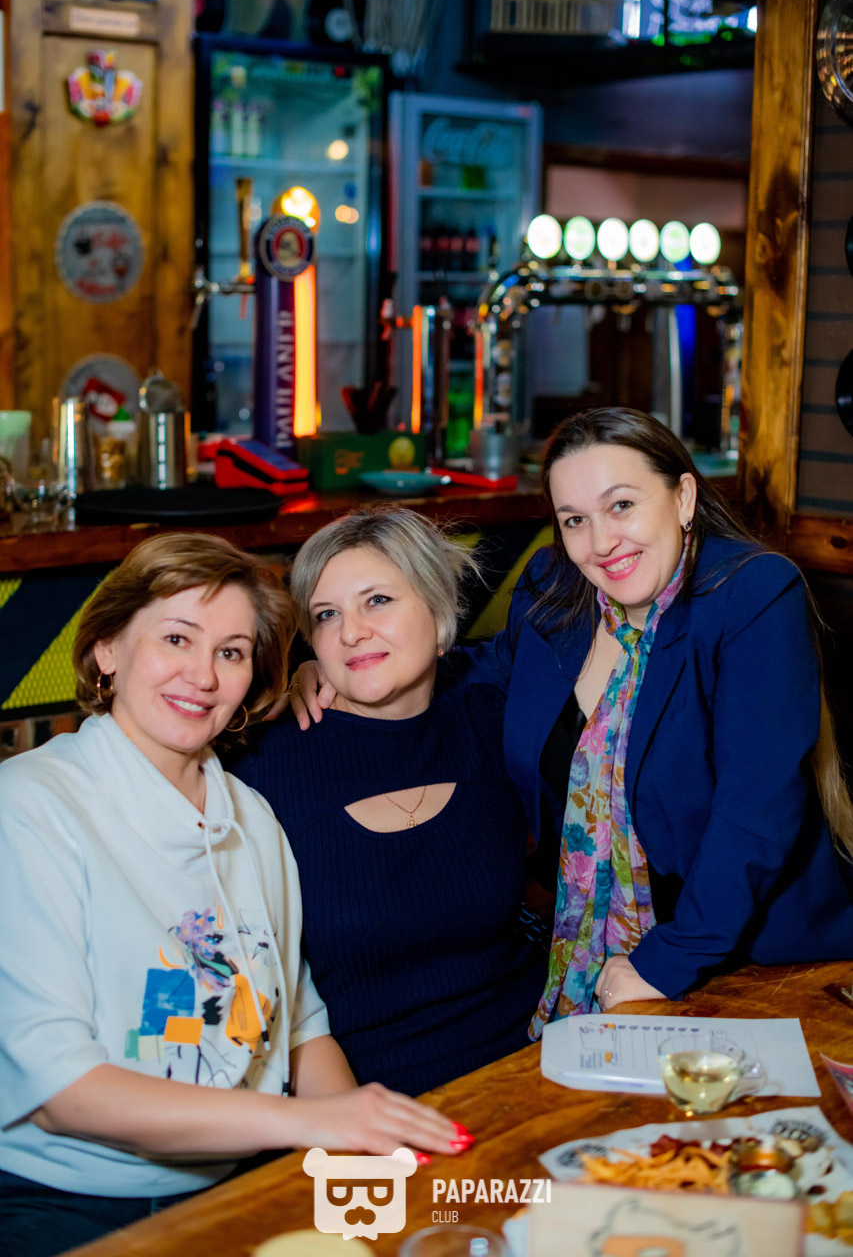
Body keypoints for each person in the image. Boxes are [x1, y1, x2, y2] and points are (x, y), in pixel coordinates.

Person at [294, 410, 853, 1030]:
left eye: (622, 505)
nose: (601, 542)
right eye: (575, 521)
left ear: (684, 497)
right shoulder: (554, 589)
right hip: (591, 949)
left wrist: (665, 962)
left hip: (748, 957)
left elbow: (756, 810)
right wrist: (335, 667)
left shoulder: (754, 594)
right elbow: (480, 668)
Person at [0, 533, 465, 1257]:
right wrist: (308, 1126)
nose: (203, 675)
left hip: (235, 1179)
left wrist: (366, 1158)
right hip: (61, 1199)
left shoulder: (250, 817)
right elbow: (65, 1094)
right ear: (107, 648)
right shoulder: (28, 806)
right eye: (176, 638)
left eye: (232, 651)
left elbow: (302, 1027)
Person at [230, 507, 548, 1097]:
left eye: (377, 601)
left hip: (536, 1062)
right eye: (327, 615)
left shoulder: (494, 717)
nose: (351, 632)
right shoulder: (260, 768)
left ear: (438, 607)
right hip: (370, 1099)